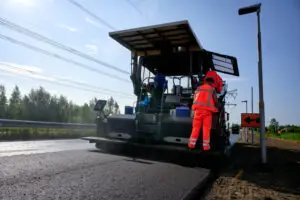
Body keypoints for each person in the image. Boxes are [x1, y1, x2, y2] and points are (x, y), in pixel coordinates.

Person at [188, 77, 219, 151]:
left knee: (195, 128)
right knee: (206, 129)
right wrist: (217, 108)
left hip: (197, 111)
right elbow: (215, 100)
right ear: (211, 82)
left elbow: (195, 99)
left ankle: (191, 145)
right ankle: (205, 147)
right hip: (207, 112)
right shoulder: (212, 89)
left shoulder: (198, 88)